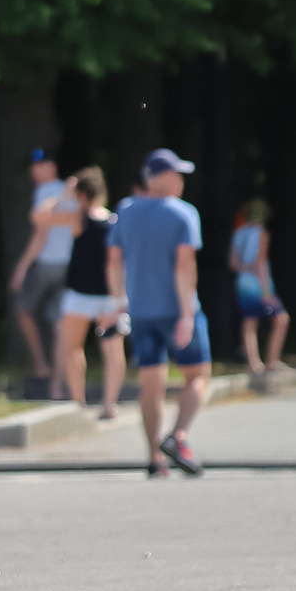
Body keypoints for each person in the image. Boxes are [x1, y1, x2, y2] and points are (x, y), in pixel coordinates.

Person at [112, 149, 208, 478]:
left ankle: (154, 458)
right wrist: (185, 314)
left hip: (140, 312)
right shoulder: (183, 214)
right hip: (177, 310)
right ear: (159, 177)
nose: (181, 180)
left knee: (150, 385)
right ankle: (177, 437)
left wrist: (118, 302)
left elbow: (114, 260)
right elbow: (184, 266)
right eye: (176, 173)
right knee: (197, 375)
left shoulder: (125, 211)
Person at [53, 169, 126, 422]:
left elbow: (39, 217)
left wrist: (63, 196)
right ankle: (110, 403)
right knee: (113, 351)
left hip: (80, 295)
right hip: (109, 295)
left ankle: (78, 402)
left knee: (73, 348)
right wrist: (121, 298)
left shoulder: (77, 218)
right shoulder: (116, 221)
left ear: (82, 194)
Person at [6, 150, 77, 395]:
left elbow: (40, 232)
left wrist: (21, 268)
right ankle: (58, 385)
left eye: (39, 165)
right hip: (71, 265)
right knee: (60, 324)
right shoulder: (73, 191)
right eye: (33, 165)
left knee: (23, 309)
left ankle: (41, 364)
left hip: (48, 263)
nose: (33, 170)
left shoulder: (45, 192)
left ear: (52, 167)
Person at [231, 201, 290, 378]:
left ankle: (253, 364)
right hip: (258, 282)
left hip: (242, 281)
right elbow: (260, 262)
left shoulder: (238, 234)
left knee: (249, 322)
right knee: (281, 318)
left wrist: (245, 271)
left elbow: (233, 263)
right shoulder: (261, 234)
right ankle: (272, 361)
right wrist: (266, 292)